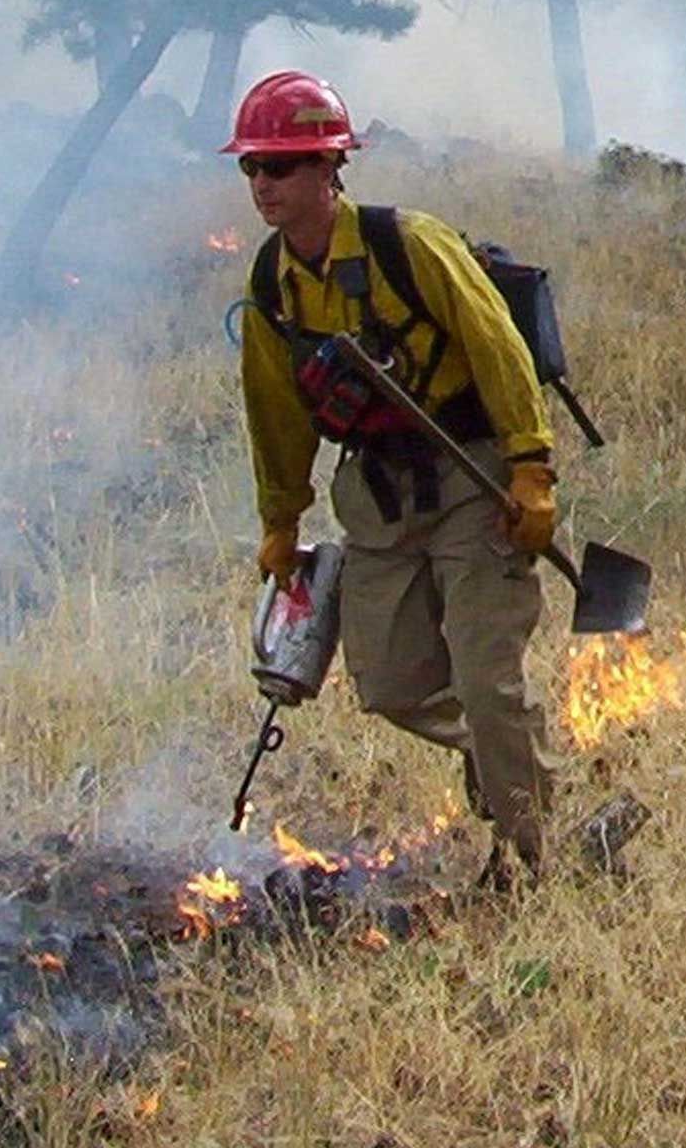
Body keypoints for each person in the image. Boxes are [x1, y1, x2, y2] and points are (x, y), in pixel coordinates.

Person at [225, 69, 560, 891]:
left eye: (281, 166)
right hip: (376, 503)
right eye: (252, 168)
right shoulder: (272, 286)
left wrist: (531, 468)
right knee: (387, 684)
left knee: (487, 678)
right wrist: (280, 517)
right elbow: (275, 412)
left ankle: (537, 859)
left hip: (470, 480)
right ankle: (505, 749)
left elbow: (499, 350)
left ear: (328, 166)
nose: (263, 185)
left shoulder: (409, 244)